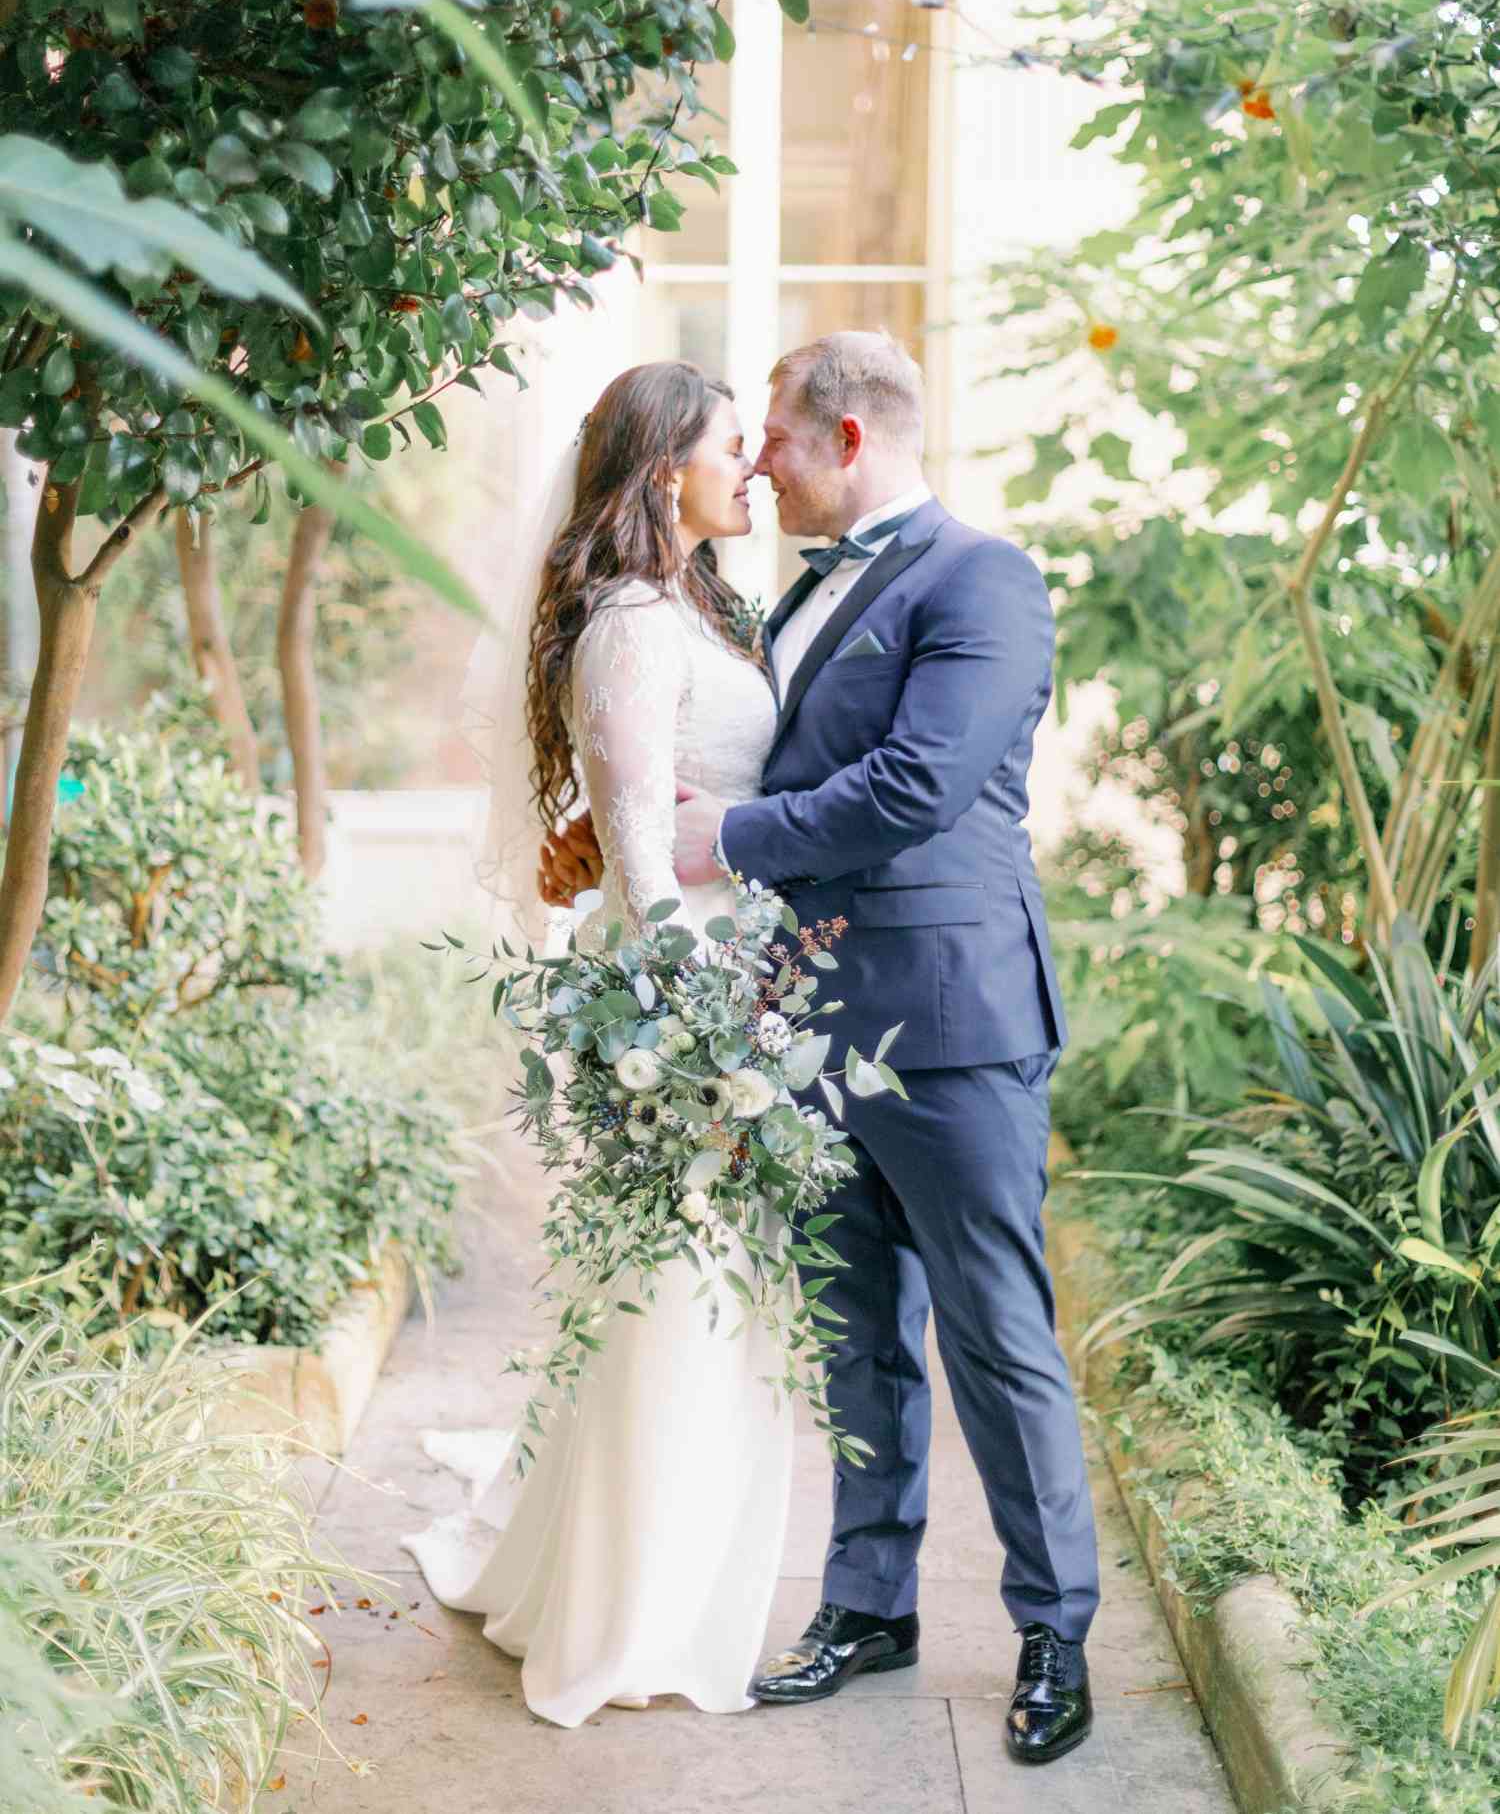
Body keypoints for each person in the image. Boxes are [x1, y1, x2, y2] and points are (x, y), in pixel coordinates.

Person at [541, 329, 1099, 1766]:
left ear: (846, 439)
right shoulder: (773, 600)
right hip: (794, 1027)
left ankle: (1053, 1629)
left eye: (774, 439)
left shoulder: (986, 578)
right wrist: (613, 832)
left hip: (953, 1020)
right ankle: (867, 1601)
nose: (759, 465)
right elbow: (727, 752)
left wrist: (721, 834)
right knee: (857, 1336)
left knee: (993, 1327)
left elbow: (915, 783)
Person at [401, 361, 791, 1727]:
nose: (750, 468)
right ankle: (630, 1613)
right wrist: (720, 1045)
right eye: (730, 446)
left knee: (702, 1304)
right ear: (661, 468)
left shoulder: (698, 604)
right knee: (673, 1306)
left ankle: (670, 1577)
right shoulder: (630, 625)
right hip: (685, 1020)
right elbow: (636, 864)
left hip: (745, 995)